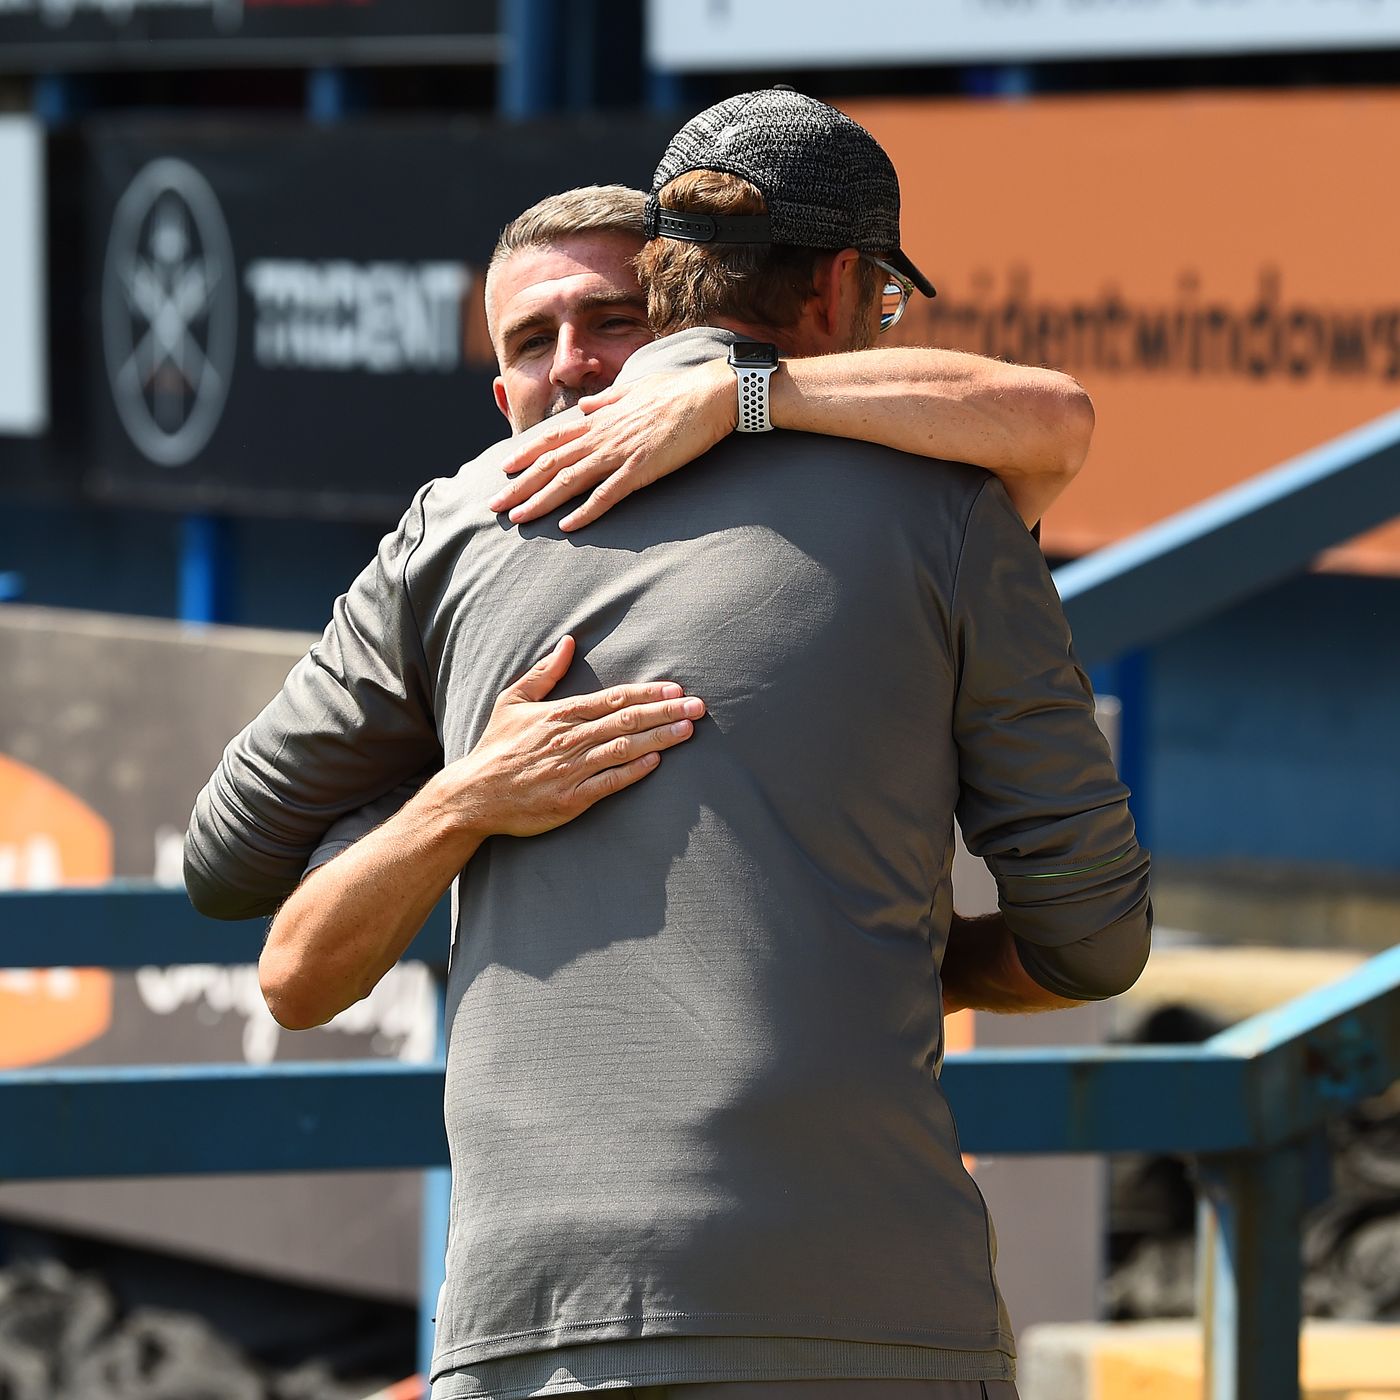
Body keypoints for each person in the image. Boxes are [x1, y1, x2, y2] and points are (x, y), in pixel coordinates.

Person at [186, 90, 1150, 1400]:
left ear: (668, 288)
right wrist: (901, 965)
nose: (576, 365)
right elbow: (1093, 941)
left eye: (601, 324)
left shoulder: (453, 528)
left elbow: (226, 860)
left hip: (533, 1320)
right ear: (843, 290)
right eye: (882, 305)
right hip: (866, 1306)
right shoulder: (950, 508)